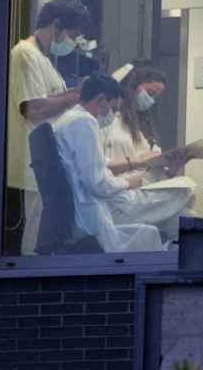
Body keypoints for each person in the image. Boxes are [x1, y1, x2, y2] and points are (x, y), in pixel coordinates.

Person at [53, 74, 193, 252]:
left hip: (99, 202)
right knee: (184, 190)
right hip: (99, 208)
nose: (111, 114)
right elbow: (97, 184)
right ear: (101, 100)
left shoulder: (69, 119)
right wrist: (128, 182)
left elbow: (99, 167)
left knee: (180, 217)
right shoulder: (84, 122)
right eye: (112, 108)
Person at [8, 0, 90, 255]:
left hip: (49, 167)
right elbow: (34, 109)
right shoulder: (25, 54)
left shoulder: (45, 61)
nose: (72, 43)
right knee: (32, 247)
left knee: (46, 244)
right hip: (32, 168)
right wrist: (77, 95)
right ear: (56, 25)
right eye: (72, 35)